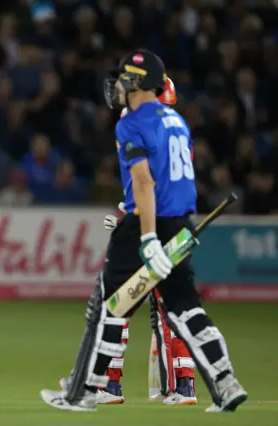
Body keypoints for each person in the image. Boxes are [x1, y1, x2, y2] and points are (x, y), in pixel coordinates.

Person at [40, 49, 247, 413]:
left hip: (144, 224)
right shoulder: (177, 121)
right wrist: (174, 232)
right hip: (180, 223)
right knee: (186, 309)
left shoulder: (130, 123)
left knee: (107, 307)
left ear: (136, 81)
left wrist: (148, 237)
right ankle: (226, 384)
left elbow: (144, 183)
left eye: (123, 77)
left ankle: (83, 393)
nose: (117, 83)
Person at [79, 76, 198, 406]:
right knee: (170, 307)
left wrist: (130, 221)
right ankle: (182, 385)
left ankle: (111, 384)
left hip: (153, 228)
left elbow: (146, 186)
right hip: (174, 224)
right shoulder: (176, 130)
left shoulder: (139, 127)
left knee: (121, 303)